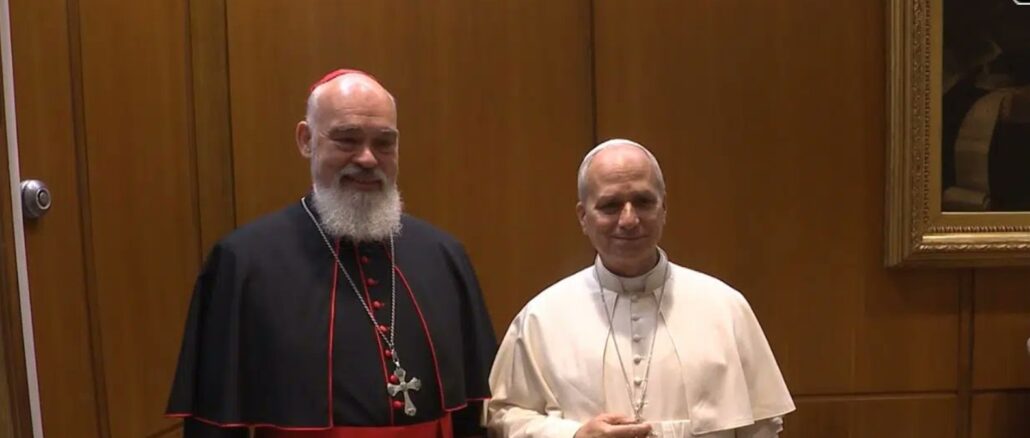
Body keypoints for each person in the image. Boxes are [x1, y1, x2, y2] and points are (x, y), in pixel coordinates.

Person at [166, 69, 497, 438]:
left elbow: (473, 414)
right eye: (347, 139)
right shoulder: (243, 263)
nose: (368, 158)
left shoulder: (444, 255)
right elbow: (214, 423)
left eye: (384, 143)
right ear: (306, 140)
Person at [487, 139, 794, 438]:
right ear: (583, 216)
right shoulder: (542, 317)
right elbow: (505, 416)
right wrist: (574, 435)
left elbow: (762, 425)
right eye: (610, 206)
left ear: (664, 209)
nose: (629, 220)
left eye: (644, 202)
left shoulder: (725, 307)